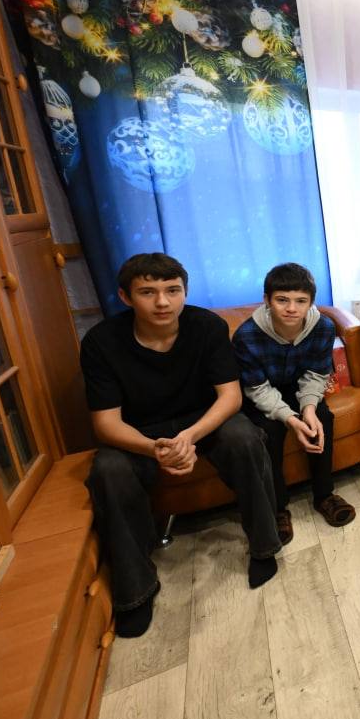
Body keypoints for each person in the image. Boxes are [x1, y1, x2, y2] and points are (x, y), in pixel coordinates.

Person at [82, 254, 280, 638]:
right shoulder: (101, 343)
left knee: (245, 437)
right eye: (148, 292)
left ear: (184, 292)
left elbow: (230, 397)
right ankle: (135, 591)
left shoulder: (206, 326)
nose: (162, 302)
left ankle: (264, 547)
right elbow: (105, 423)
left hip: (201, 420)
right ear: (125, 297)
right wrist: (154, 448)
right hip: (139, 431)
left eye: (172, 291)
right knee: (108, 470)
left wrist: (188, 437)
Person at [232, 263, 355, 546]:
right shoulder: (246, 335)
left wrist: (308, 409)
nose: (291, 308)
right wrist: (290, 418)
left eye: (301, 301)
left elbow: (316, 374)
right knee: (269, 432)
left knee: (322, 419)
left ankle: (324, 495)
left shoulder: (323, 327)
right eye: (282, 300)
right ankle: (278, 508)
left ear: (311, 302)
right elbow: (256, 388)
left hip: (301, 387)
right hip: (262, 391)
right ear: (267, 300)